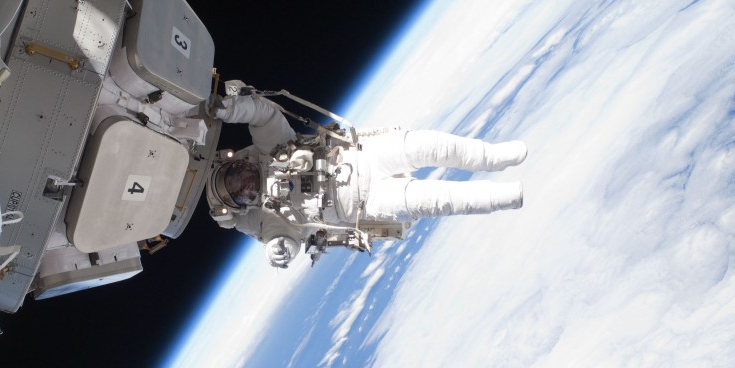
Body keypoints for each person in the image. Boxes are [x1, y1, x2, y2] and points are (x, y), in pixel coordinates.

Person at [203, 85, 527, 267]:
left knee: (429, 145)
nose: (245, 184)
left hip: (361, 155)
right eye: (238, 192)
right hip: (362, 205)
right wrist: (279, 248)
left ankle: (493, 157)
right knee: (437, 200)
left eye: (235, 176)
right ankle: (506, 198)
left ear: (238, 162)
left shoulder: (268, 148)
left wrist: (230, 110)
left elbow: (263, 113)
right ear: (242, 206)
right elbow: (281, 237)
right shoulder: (268, 216)